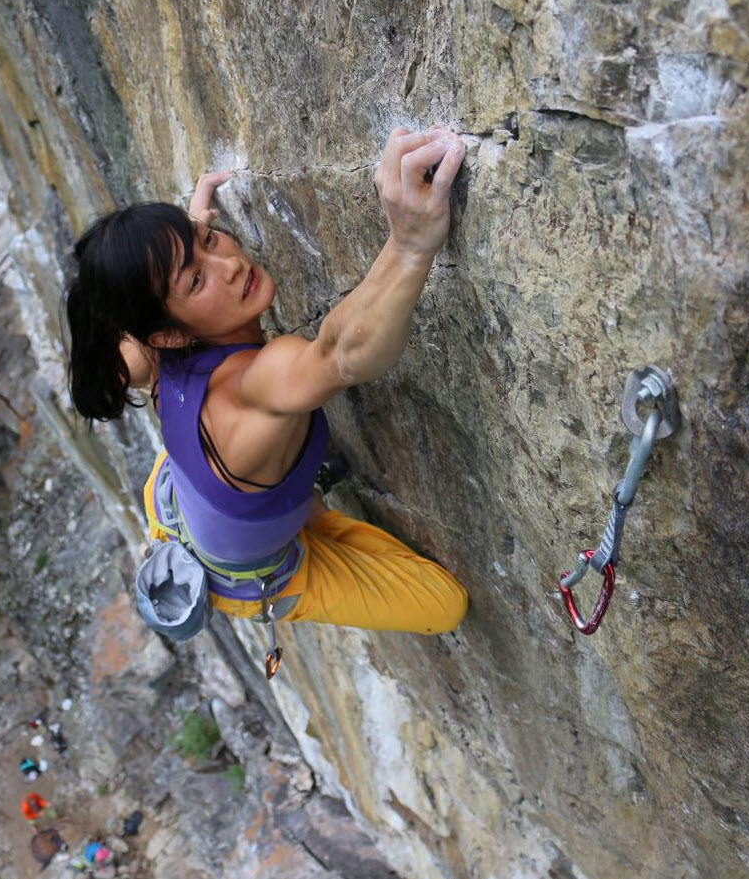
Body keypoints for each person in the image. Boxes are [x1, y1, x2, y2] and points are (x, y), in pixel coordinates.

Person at [64, 127, 469, 645]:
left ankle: (288, 492)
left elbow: (128, 327)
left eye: (210, 240)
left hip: (178, 498)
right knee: (442, 603)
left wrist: (182, 253)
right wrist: (410, 246)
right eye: (196, 280)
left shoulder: (148, 352)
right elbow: (342, 353)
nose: (230, 265)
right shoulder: (255, 386)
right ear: (166, 333)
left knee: (266, 470)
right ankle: (305, 508)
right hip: (244, 568)